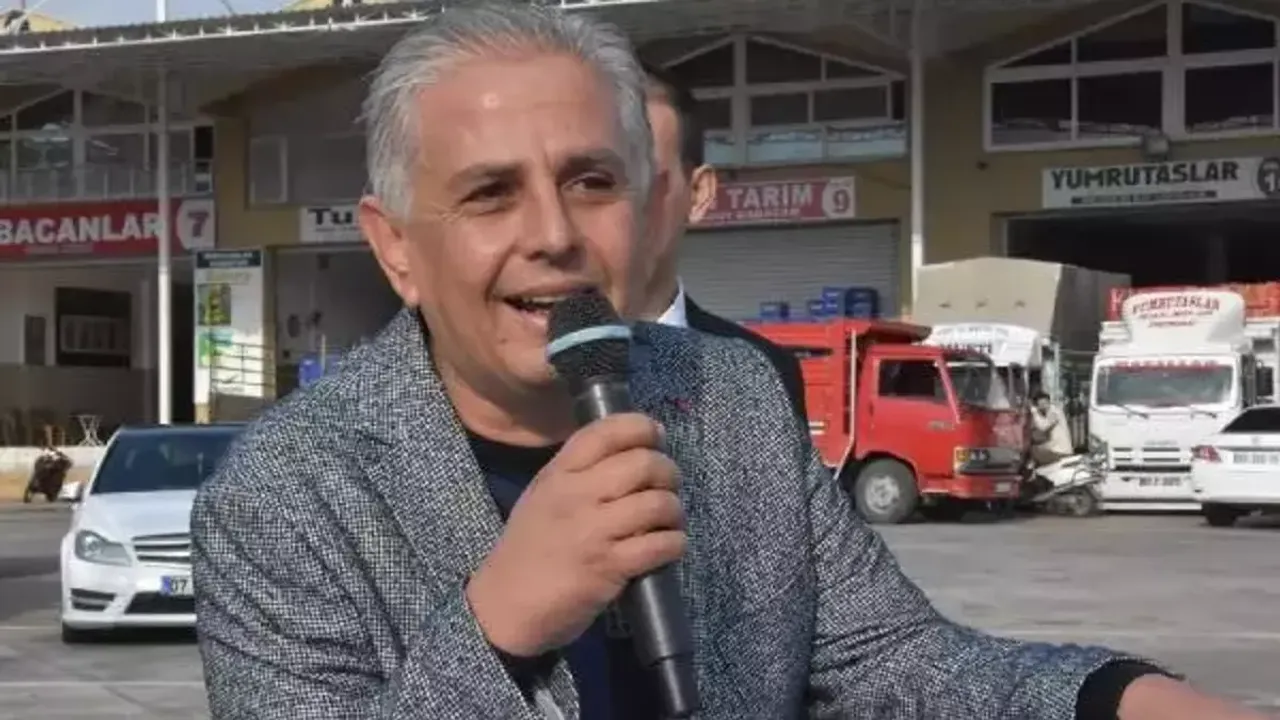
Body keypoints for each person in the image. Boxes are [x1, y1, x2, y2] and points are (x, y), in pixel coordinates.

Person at [189, 5, 1267, 720]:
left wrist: (1122, 698)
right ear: (394, 249)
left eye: (591, 182)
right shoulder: (285, 495)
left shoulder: (727, 394)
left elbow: (888, 660)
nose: (554, 234)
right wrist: (500, 623)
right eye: (489, 194)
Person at [638, 63, 808, 423]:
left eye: (643, 180)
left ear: (698, 193)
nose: (621, 206)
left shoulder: (765, 375)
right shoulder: (525, 373)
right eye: (594, 181)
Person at [1031, 390, 1074, 466]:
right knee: (1038, 448)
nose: (1043, 406)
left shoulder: (1054, 411)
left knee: (1033, 450)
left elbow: (1043, 427)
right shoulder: (1050, 411)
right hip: (1058, 449)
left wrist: (1034, 412)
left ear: (1048, 401)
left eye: (1044, 403)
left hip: (1061, 452)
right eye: (1041, 404)